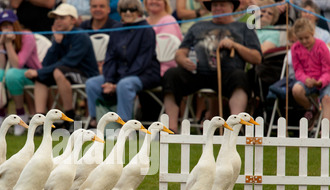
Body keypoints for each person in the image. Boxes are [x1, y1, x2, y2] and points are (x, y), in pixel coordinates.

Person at [162, 0, 262, 133]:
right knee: (171, 74)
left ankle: (235, 128)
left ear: (231, 7)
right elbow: (181, 52)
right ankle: (171, 128)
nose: (218, 8)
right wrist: (182, 59)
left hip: (229, 74)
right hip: (200, 73)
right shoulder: (198, 26)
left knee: (241, 77)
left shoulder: (243, 28)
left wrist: (235, 45)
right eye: (215, 5)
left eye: (222, 4)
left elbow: (257, 58)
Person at [86, 0, 160, 126]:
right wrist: (109, 80)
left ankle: (124, 125)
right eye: (124, 10)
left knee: (125, 85)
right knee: (92, 83)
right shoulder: (116, 29)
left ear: (138, 11)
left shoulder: (146, 30)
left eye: (132, 9)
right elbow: (110, 57)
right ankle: (96, 121)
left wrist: (116, 83)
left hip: (145, 74)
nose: (128, 12)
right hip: (119, 75)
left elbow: (142, 62)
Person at [24, 3, 99, 126]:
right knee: (41, 78)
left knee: (56, 71)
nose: (57, 21)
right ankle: (40, 121)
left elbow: (69, 62)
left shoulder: (81, 36)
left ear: (73, 20)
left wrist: (38, 71)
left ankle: (69, 116)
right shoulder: (59, 37)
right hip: (65, 74)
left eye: (62, 18)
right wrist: (56, 43)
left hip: (87, 76)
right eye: (56, 18)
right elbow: (47, 63)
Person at [0, 9, 41, 135]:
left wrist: (9, 44)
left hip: (33, 75)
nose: (7, 29)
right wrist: (1, 45)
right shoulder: (1, 38)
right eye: (4, 26)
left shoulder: (27, 36)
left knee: (12, 74)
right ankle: (0, 115)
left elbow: (18, 64)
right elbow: (0, 66)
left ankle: (21, 113)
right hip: (13, 74)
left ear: (15, 24)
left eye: (9, 25)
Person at [291, 18, 330, 127]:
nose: (304, 41)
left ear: (312, 33)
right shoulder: (295, 48)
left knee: (327, 98)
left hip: (324, 80)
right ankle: (312, 108)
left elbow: (328, 70)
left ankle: (325, 129)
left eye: (307, 38)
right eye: (300, 38)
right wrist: (305, 79)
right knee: (296, 90)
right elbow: (298, 70)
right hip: (307, 80)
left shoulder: (321, 46)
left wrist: (320, 82)